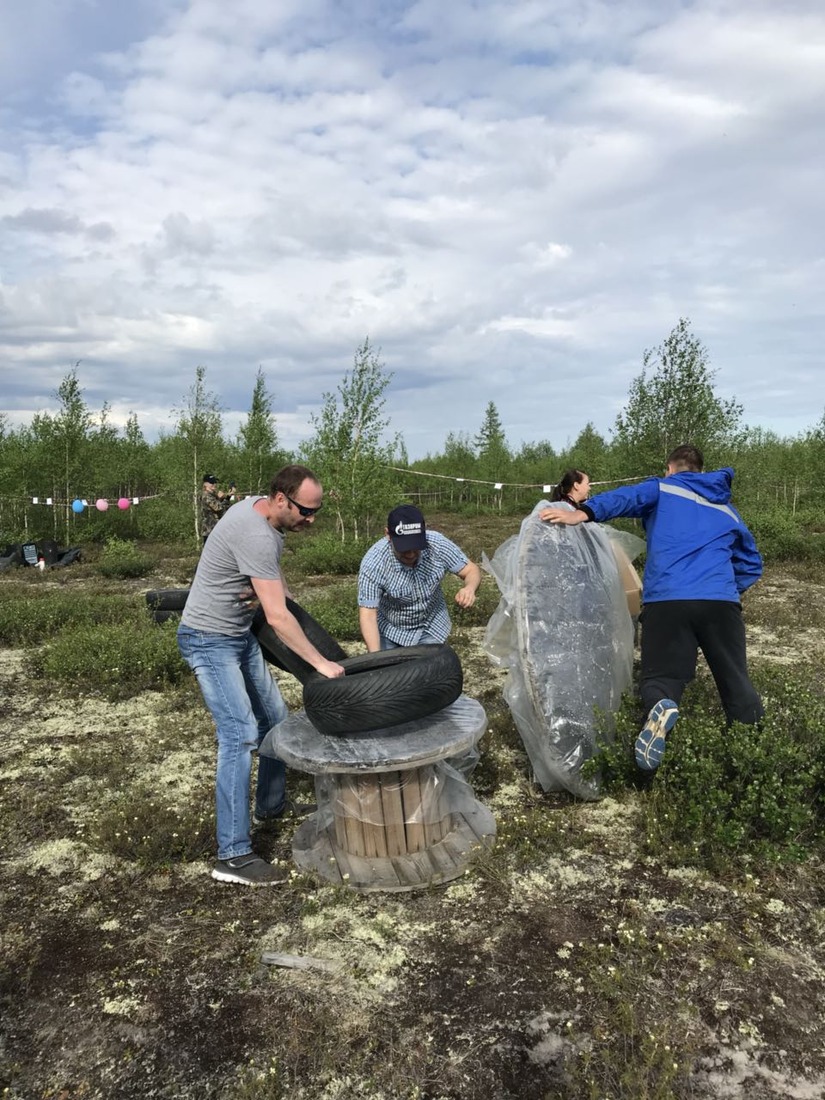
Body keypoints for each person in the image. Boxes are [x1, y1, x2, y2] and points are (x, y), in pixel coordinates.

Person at [540, 445, 763, 772]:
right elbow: (751, 563)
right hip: (720, 603)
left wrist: (582, 513)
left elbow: (624, 498)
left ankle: (660, 709)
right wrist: (724, 587)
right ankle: (755, 762)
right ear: (700, 470)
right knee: (735, 681)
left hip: (668, 601)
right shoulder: (727, 509)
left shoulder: (662, 487)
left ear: (670, 468)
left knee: (662, 676)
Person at [178, 464, 345, 886]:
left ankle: (270, 805)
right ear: (280, 499)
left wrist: (280, 589)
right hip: (208, 638)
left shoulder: (257, 511)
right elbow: (277, 617)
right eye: (306, 511)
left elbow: (268, 576)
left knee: (275, 718)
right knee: (240, 734)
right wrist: (319, 664)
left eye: (316, 511)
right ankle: (231, 855)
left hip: (238, 635)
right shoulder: (256, 532)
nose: (311, 520)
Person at [358, 504, 482, 652]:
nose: (410, 554)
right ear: (388, 534)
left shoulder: (437, 544)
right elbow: (368, 614)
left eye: (416, 546)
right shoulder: (374, 562)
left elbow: (471, 570)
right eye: (404, 548)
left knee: (432, 673)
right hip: (391, 632)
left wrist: (469, 588)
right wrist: (375, 657)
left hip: (432, 628)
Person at [201, 474, 229, 544]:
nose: (214, 484)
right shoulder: (206, 496)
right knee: (210, 554)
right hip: (209, 531)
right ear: (205, 484)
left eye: (215, 482)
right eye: (211, 483)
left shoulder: (213, 496)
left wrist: (226, 497)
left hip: (215, 530)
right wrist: (224, 498)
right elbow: (218, 508)